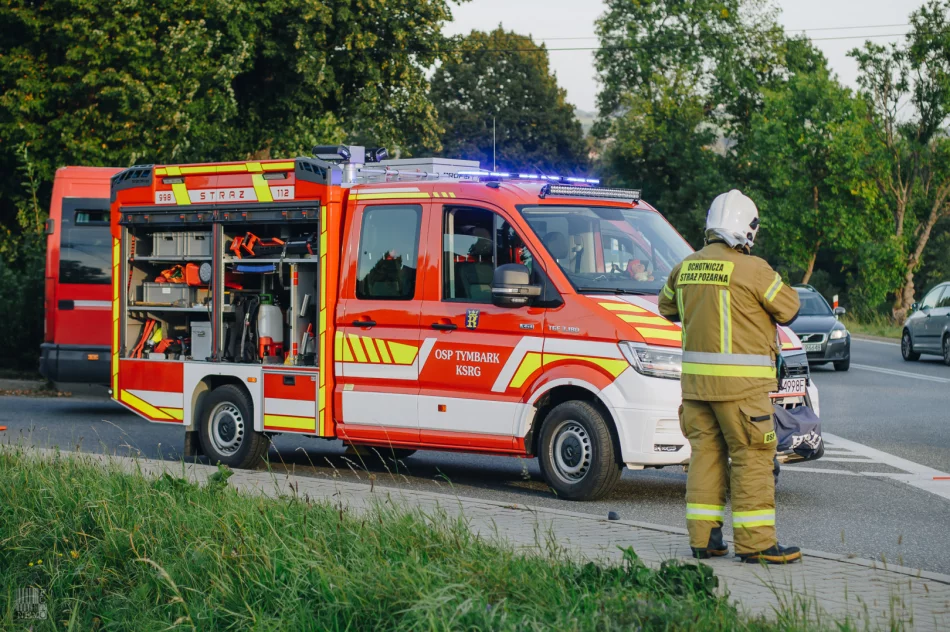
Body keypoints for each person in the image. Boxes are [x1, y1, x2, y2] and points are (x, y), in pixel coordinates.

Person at [658, 190, 802, 564]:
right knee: (752, 457)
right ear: (747, 230)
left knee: (705, 457)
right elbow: (789, 309)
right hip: (743, 392)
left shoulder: (685, 267)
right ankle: (757, 545)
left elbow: (665, 306)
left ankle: (704, 540)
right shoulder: (755, 270)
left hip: (695, 390)